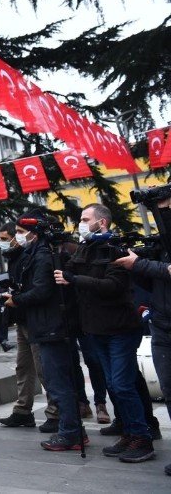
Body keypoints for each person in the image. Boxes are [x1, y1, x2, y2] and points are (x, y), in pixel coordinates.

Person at [54, 203, 154, 462]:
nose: (81, 223)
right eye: (80, 219)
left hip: (120, 328)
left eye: (86, 219)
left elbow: (112, 285)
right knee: (113, 384)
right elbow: (70, 269)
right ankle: (130, 432)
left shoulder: (117, 249)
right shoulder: (85, 249)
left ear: (103, 222)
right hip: (96, 329)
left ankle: (142, 437)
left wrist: (74, 279)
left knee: (122, 385)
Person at [0, 212, 84, 452]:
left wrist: (15, 299)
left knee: (58, 383)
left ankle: (71, 432)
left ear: (33, 234)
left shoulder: (44, 256)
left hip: (51, 327)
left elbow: (41, 291)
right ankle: (73, 430)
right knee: (57, 381)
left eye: (19, 232)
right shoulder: (33, 254)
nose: (17, 237)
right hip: (44, 325)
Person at [0, 221, 59, 431]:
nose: (4, 242)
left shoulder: (33, 256)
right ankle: (23, 411)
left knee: (43, 368)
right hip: (22, 318)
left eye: (10, 237)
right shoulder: (16, 258)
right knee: (23, 367)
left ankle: (56, 412)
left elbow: (32, 290)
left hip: (33, 319)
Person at [114, 192, 171, 477]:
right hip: (163, 324)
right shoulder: (162, 241)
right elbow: (150, 281)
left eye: (164, 205)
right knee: (169, 391)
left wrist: (139, 264)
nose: (161, 211)